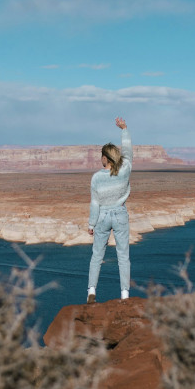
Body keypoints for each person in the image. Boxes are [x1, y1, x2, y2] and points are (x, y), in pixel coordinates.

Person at [87, 117, 132, 303]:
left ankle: (91, 291)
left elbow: (95, 203)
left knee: (97, 256)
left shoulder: (96, 177)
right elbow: (128, 153)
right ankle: (125, 294)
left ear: (105, 158)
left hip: (103, 216)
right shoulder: (125, 170)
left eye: (101, 156)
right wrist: (124, 129)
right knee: (123, 256)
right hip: (120, 214)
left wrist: (91, 224)